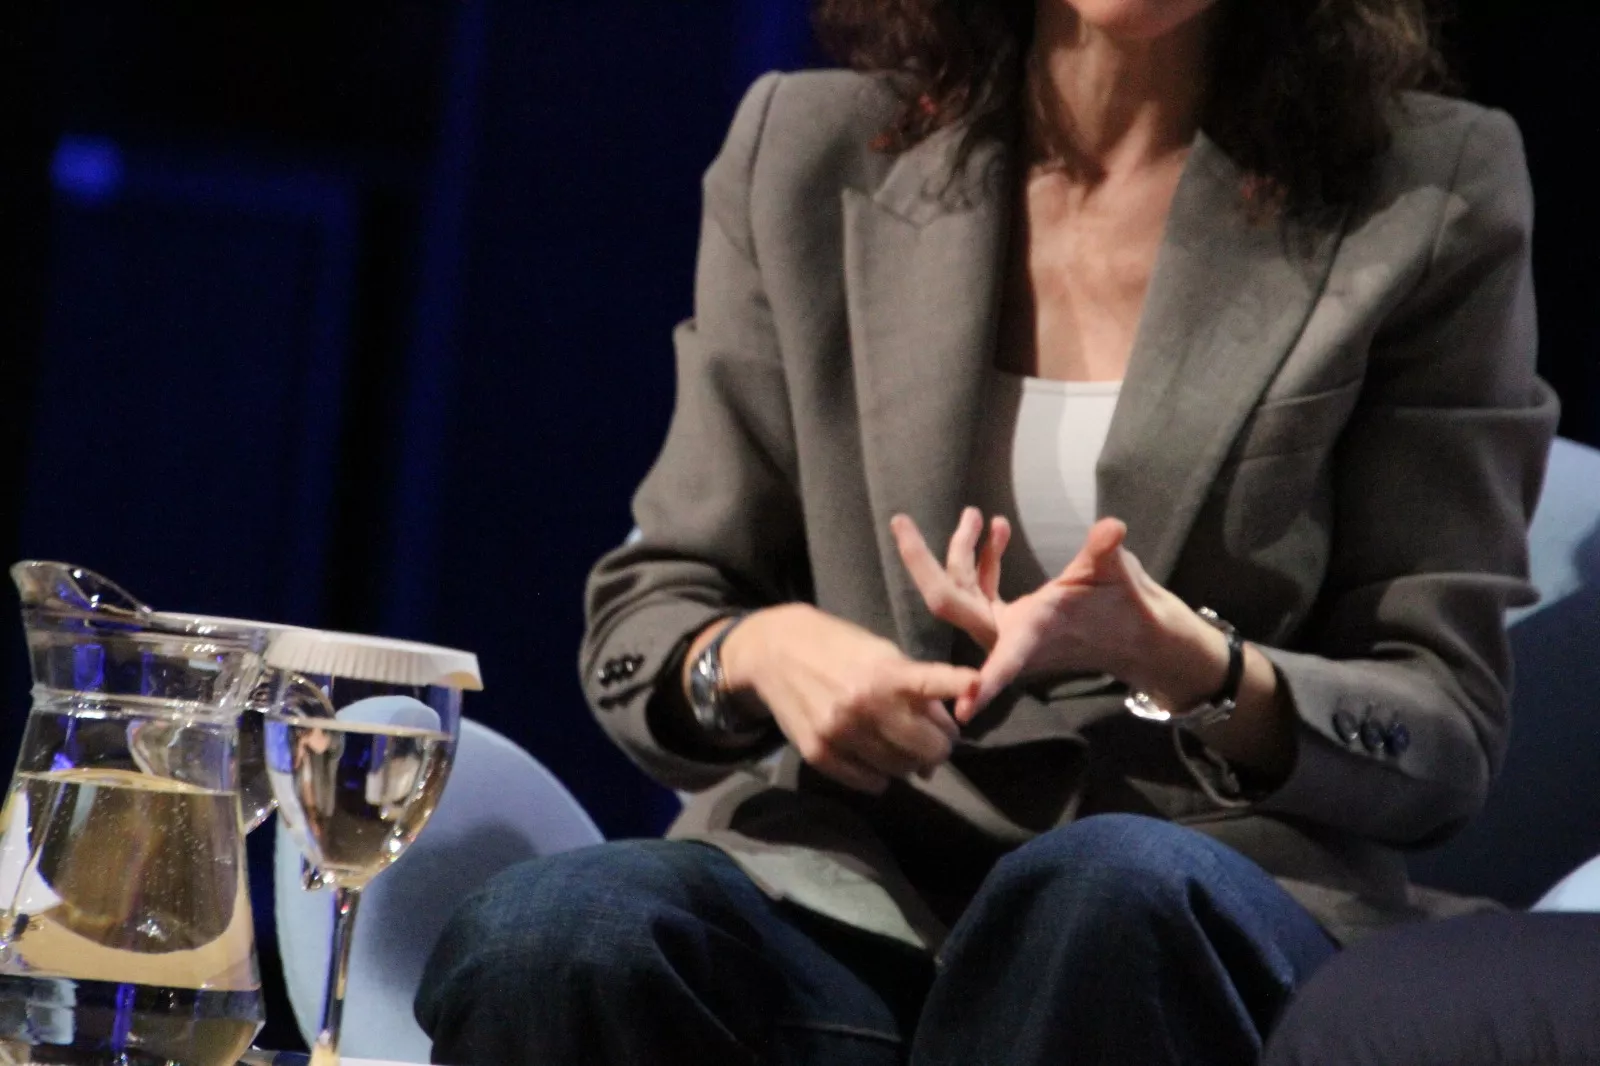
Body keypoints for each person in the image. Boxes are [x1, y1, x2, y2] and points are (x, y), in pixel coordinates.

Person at [416, 0, 1559, 1061]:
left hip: (1185, 895)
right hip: (839, 881)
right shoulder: (808, 148)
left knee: (1096, 892)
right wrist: (764, 652)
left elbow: (1437, 727)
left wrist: (1192, 663)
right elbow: (658, 602)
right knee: (554, 930)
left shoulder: (1427, 184)